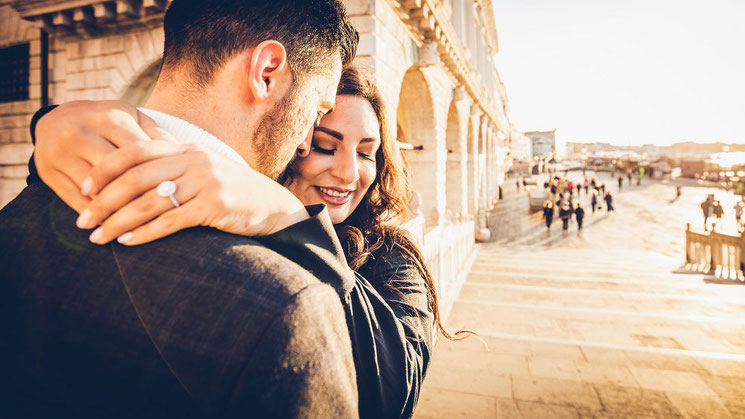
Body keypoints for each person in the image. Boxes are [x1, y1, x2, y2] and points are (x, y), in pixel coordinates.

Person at [27, 67, 465, 418]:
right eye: (326, 147)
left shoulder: (394, 258)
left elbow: (395, 395)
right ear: (295, 141)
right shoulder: (218, 216)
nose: (349, 173)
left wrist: (290, 218)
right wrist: (54, 124)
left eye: (367, 152)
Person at [0, 1, 361, 417]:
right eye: (317, 109)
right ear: (266, 72)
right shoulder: (289, 307)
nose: (303, 144)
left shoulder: (22, 209)